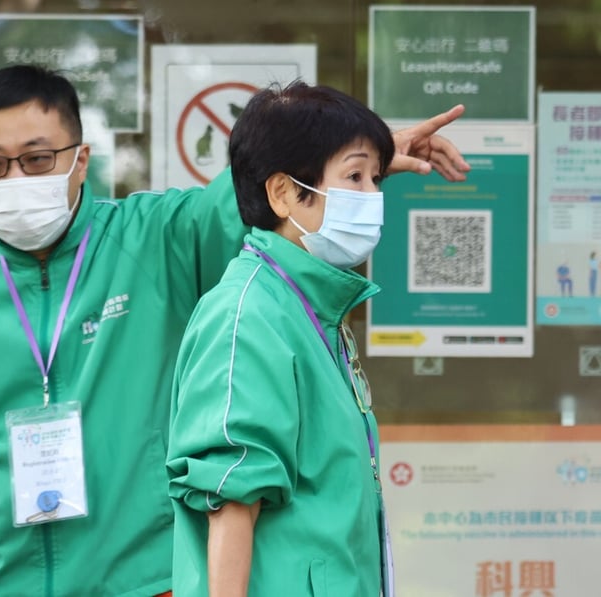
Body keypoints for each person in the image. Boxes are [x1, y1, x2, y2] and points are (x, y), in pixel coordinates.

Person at [0, 65, 469, 596]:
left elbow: (251, 192)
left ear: (80, 160)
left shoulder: (155, 238)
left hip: (142, 581)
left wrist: (361, 152)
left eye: (36, 158)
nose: (15, 179)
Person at [166, 81, 404, 596]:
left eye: (376, 178)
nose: (373, 197)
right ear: (283, 192)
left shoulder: (310, 305)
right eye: (355, 176)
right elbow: (231, 494)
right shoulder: (249, 313)